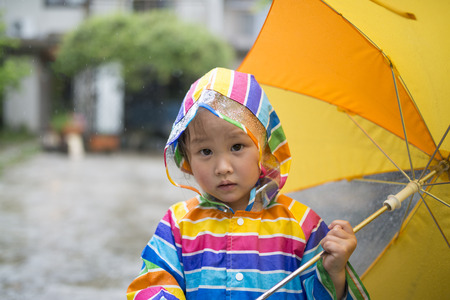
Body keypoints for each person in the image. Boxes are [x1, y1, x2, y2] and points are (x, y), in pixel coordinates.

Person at [127, 68, 370, 300]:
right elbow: (154, 282)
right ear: (187, 158)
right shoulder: (177, 226)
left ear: (264, 150)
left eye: (237, 147)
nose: (223, 167)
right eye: (205, 151)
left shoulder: (304, 227)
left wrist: (335, 273)